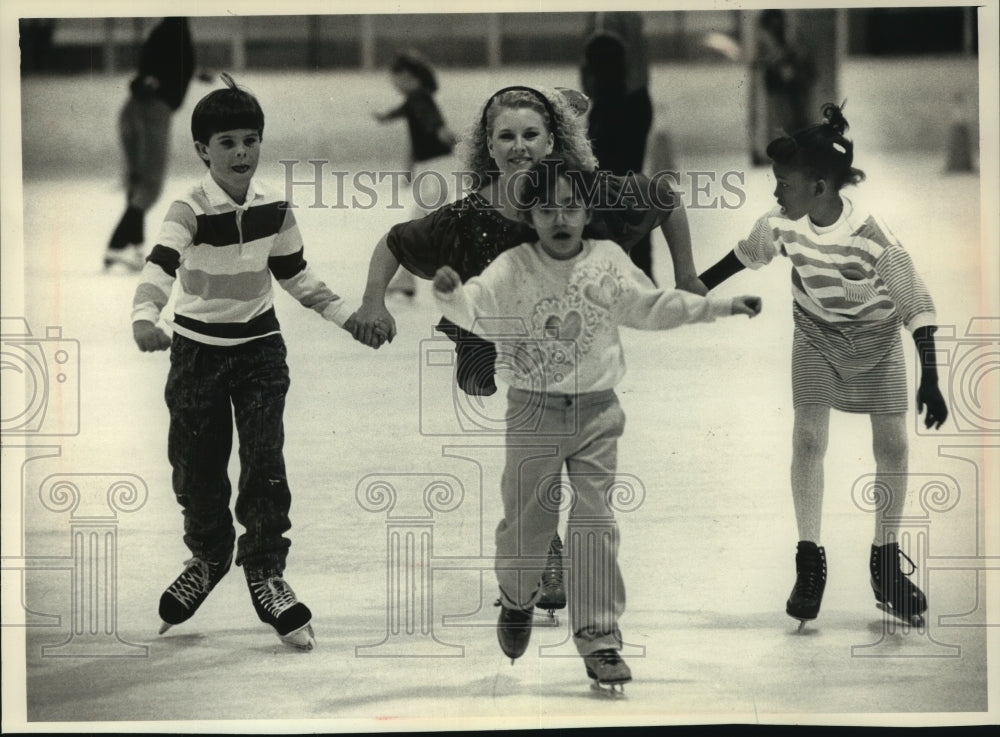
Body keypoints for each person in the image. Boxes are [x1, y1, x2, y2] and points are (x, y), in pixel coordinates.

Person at [351, 84, 708, 616]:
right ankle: (542, 543)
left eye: (532, 135)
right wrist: (371, 302)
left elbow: (664, 198)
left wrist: (687, 275)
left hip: (567, 346)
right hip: (502, 333)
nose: (519, 147)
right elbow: (395, 242)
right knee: (509, 409)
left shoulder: (584, 192)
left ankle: (550, 553)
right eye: (506, 136)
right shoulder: (467, 216)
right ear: (487, 148)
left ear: (553, 142)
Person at [432, 159, 761, 690]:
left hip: (597, 412)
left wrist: (717, 306)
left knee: (595, 524)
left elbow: (652, 306)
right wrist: (450, 294)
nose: (559, 218)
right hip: (533, 411)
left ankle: (600, 638)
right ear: (529, 215)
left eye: (570, 206)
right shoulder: (513, 266)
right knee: (528, 524)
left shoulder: (608, 260)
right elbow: (476, 309)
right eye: (546, 209)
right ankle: (518, 597)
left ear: (587, 210)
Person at [130, 74, 378, 650]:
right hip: (196, 354)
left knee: (265, 462)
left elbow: (296, 276)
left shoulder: (274, 207)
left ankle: (265, 570)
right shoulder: (187, 209)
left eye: (250, 140)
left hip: (260, 350)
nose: (242, 152)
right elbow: (159, 265)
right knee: (196, 467)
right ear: (202, 151)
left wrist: (349, 318)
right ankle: (210, 556)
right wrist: (145, 317)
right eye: (227, 143)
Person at [698, 102, 948, 629]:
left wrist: (931, 376)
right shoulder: (781, 225)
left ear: (818, 187)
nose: (774, 193)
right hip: (815, 335)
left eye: (783, 182)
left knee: (894, 446)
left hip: (877, 341)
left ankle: (885, 565)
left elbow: (917, 304)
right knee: (808, 440)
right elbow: (747, 254)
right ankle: (809, 564)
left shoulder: (875, 239)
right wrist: (695, 288)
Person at [105, 17, 211, 272]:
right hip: (152, 109)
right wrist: (154, 79)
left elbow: (159, 64)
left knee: (139, 180)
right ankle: (117, 246)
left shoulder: (166, 29)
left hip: (134, 107)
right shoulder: (176, 30)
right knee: (150, 184)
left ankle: (134, 246)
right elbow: (159, 65)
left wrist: (191, 74)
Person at [373, 49, 458, 298]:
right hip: (433, 168)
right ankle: (408, 278)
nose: (393, 84)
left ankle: (408, 278)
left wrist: (456, 139)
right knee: (428, 227)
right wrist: (409, 169)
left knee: (419, 226)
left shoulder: (419, 99)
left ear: (408, 76)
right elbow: (414, 134)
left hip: (437, 168)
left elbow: (436, 128)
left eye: (395, 79)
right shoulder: (416, 100)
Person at [580, 11, 657, 283]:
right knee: (629, 189)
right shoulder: (631, 13)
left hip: (617, 104)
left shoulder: (605, 13)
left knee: (608, 191)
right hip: (635, 102)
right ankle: (641, 272)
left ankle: (620, 272)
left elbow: (603, 56)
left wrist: (598, 106)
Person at [748, 9, 815, 166]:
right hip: (770, 85)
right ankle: (767, 151)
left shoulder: (786, 39)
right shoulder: (764, 40)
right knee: (769, 118)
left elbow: (797, 58)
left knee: (783, 118)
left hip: (783, 87)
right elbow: (762, 60)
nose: (775, 26)